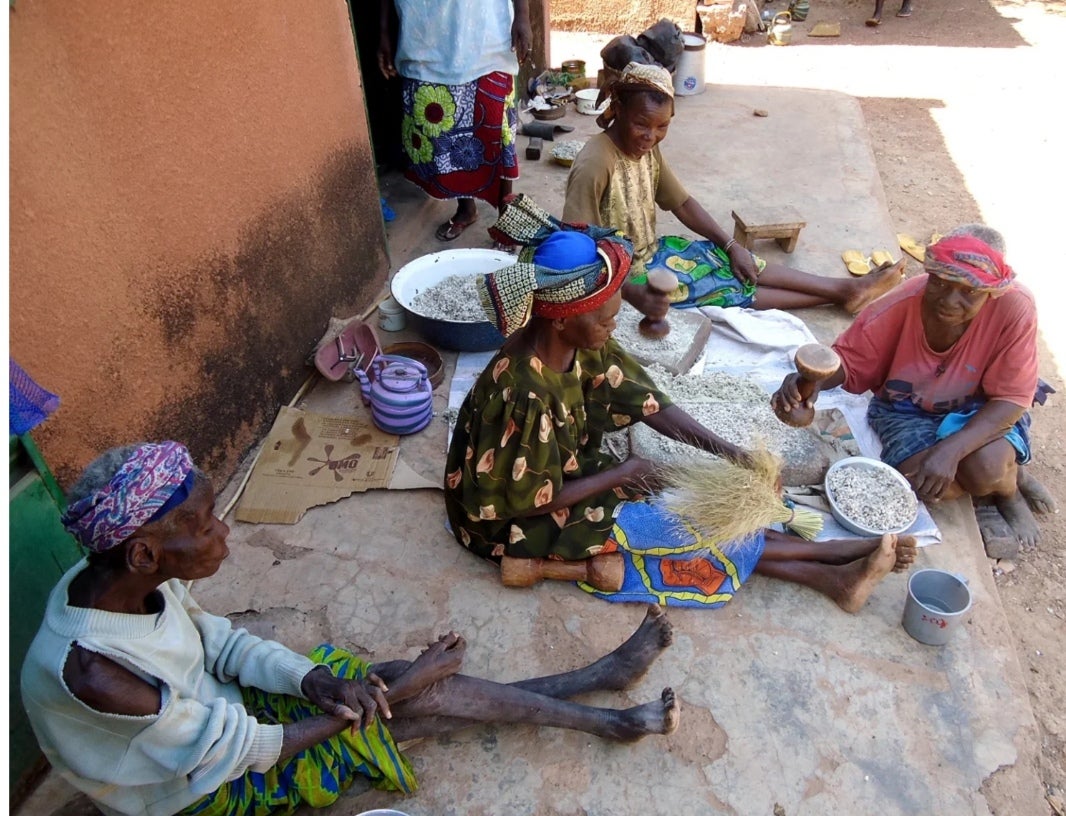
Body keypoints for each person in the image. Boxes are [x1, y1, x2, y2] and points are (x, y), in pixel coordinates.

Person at [20, 442, 683, 816]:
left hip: (217, 723)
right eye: (203, 525)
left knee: (385, 689)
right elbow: (237, 752)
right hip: (189, 789)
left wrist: (315, 681)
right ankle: (603, 704)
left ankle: (601, 690)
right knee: (402, 695)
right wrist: (363, 701)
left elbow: (219, 645)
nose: (222, 531)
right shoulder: (98, 673)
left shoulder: (126, 582)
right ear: (143, 553)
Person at [445, 195, 916, 612]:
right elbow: (522, 502)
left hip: (562, 474)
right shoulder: (523, 394)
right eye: (607, 317)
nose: (616, 323)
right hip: (504, 523)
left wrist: (734, 453)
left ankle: (830, 569)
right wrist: (623, 473)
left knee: (683, 509)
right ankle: (830, 558)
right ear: (562, 319)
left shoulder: (579, 343)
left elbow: (646, 400)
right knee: (664, 527)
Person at [771, 226, 1054, 558]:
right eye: (941, 283)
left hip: (983, 407)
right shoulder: (904, 303)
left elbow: (1011, 399)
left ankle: (1006, 492)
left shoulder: (1014, 307)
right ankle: (992, 482)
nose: (949, 301)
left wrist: (950, 451)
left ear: (992, 291)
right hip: (908, 410)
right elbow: (850, 361)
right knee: (917, 485)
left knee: (985, 466)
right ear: (929, 272)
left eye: (969, 292)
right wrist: (808, 384)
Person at [561, 62, 906, 323]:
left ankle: (841, 289)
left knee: (726, 260)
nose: (650, 136)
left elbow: (681, 202)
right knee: (724, 287)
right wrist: (631, 293)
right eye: (641, 124)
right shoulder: (596, 161)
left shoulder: (646, 149)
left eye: (662, 126)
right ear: (618, 109)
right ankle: (842, 294)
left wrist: (731, 246)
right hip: (620, 273)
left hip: (652, 253)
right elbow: (575, 249)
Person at [377, 0, 532, 242]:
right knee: (444, 129)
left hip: (487, 32)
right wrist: (384, 31)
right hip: (425, 35)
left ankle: (506, 216)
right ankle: (466, 207)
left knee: (495, 128)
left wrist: (522, 15)